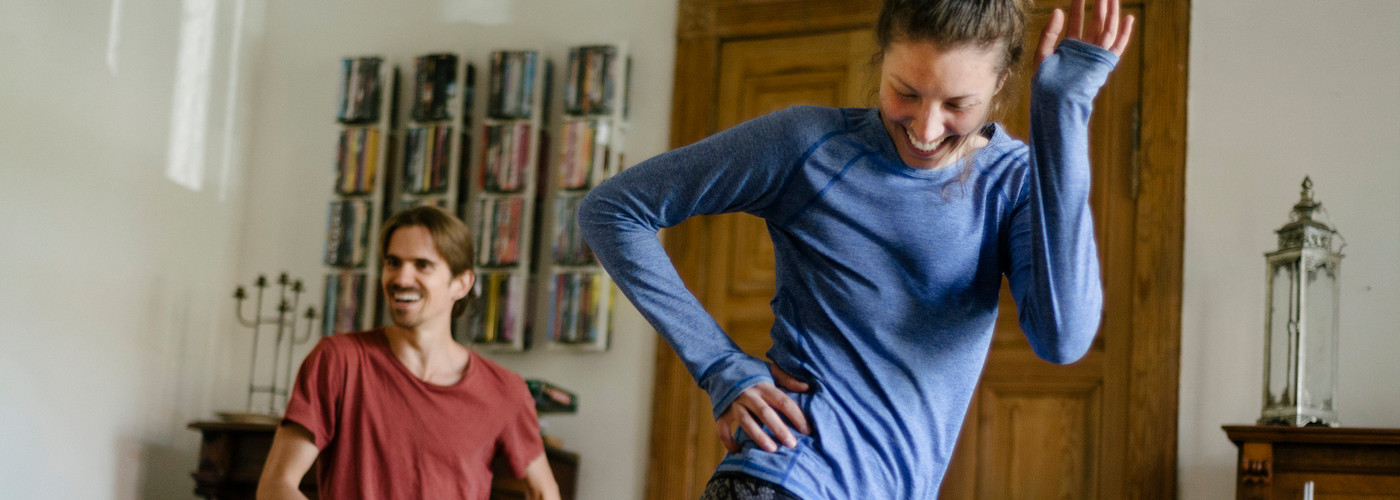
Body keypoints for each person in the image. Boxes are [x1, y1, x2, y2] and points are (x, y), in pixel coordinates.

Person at [577, 0, 1132, 497]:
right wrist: (721, 367)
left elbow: (1062, 339)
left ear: (1001, 83)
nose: (925, 126)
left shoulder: (1012, 183)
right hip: (786, 479)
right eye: (905, 92)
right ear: (881, 60)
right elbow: (612, 210)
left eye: (957, 103)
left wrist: (1062, 113)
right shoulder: (808, 145)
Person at [257, 206, 560, 500]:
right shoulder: (338, 360)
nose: (401, 278)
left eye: (422, 265)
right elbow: (276, 484)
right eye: (393, 262)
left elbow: (545, 492)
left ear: (461, 283)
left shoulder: (505, 390)